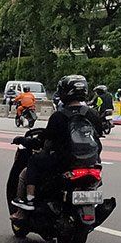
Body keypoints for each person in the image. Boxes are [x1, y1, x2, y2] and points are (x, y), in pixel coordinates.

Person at [13, 75, 101, 212]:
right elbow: (98, 136)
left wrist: (25, 141)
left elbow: (43, 141)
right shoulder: (92, 114)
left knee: (33, 161)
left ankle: (30, 199)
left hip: (63, 162)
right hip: (92, 162)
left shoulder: (59, 116)